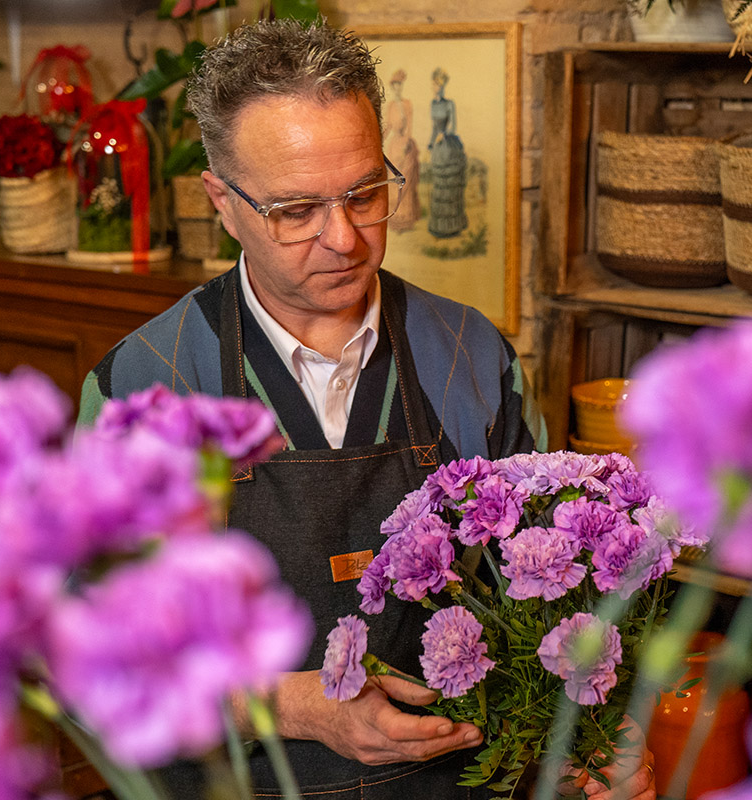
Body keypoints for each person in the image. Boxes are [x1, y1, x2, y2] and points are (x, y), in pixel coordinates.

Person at [76, 18, 656, 800]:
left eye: (366, 193)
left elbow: (555, 600)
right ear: (224, 200)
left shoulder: (472, 359)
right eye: (295, 211)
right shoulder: (147, 388)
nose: (344, 238)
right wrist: (293, 705)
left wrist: (595, 733)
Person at [427, 67, 468, 239]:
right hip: (438, 149)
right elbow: (433, 129)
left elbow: (453, 126)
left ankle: (453, 226)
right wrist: (430, 144)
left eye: (438, 84)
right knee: (439, 187)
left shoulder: (449, 103)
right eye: (434, 84)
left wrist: (444, 134)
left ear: (443, 85)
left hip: (449, 147)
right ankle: (440, 227)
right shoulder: (432, 104)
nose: (436, 87)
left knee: (450, 186)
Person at [381, 68, 420, 233]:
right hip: (394, 146)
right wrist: (378, 140)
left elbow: (410, 125)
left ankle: (406, 219)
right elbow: (388, 126)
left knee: (406, 183)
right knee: (394, 182)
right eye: (394, 85)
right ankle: (395, 219)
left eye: (399, 85)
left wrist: (405, 145)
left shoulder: (407, 104)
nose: (397, 88)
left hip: (406, 145)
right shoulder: (390, 106)